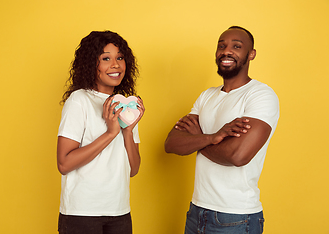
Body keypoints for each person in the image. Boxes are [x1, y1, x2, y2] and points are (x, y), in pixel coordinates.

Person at [164, 26, 279, 233]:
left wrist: (198, 139)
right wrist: (213, 137)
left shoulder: (260, 95)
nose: (227, 51)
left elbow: (238, 155)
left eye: (237, 46)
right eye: (221, 45)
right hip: (197, 211)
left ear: (251, 54)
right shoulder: (207, 96)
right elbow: (172, 143)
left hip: (236, 216)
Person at [56, 30, 145, 234]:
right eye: (106, 58)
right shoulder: (79, 100)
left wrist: (128, 131)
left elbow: (133, 169)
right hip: (82, 213)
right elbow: (64, 163)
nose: (115, 65)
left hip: (119, 211)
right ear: (91, 64)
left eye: (120, 58)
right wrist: (110, 133)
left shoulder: (125, 106)